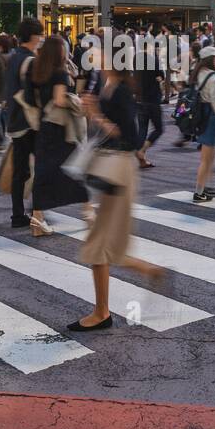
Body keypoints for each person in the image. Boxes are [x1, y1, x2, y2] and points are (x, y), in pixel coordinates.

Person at [70, 49, 165, 331]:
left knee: (99, 245)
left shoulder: (120, 91)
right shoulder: (107, 86)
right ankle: (148, 274)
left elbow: (132, 137)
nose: (97, 57)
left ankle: (102, 312)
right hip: (109, 168)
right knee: (103, 244)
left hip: (119, 169)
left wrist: (96, 113)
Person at [24, 35, 89, 236]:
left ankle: (37, 218)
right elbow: (60, 100)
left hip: (44, 126)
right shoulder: (59, 73)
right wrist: (76, 100)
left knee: (44, 172)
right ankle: (89, 212)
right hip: (60, 128)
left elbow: (29, 98)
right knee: (75, 168)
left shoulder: (35, 70)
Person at [4, 17, 45, 229]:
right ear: (33, 36)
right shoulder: (31, 60)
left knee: (20, 171)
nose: (41, 39)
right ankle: (38, 211)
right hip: (31, 122)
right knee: (43, 166)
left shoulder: (11, 58)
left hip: (14, 121)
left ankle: (17, 215)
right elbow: (32, 96)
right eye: (39, 34)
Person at [188, 45, 215, 202]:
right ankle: (199, 191)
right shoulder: (213, 78)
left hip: (200, 115)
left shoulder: (197, 73)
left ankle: (205, 186)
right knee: (206, 156)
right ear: (211, 60)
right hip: (210, 116)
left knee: (210, 153)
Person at [134, 36, 165, 169]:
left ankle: (141, 158)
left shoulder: (136, 58)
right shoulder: (153, 59)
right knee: (158, 128)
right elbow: (161, 75)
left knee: (142, 129)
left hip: (140, 98)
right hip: (152, 98)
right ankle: (141, 151)